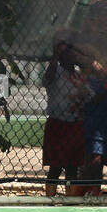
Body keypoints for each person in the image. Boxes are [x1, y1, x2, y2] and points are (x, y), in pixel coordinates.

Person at [41, 30, 87, 195]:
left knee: (72, 167)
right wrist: (55, 56)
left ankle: (71, 198)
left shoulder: (79, 75)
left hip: (76, 124)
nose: (70, 54)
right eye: (65, 50)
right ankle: (50, 197)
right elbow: (48, 77)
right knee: (55, 166)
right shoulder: (56, 71)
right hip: (58, 123)